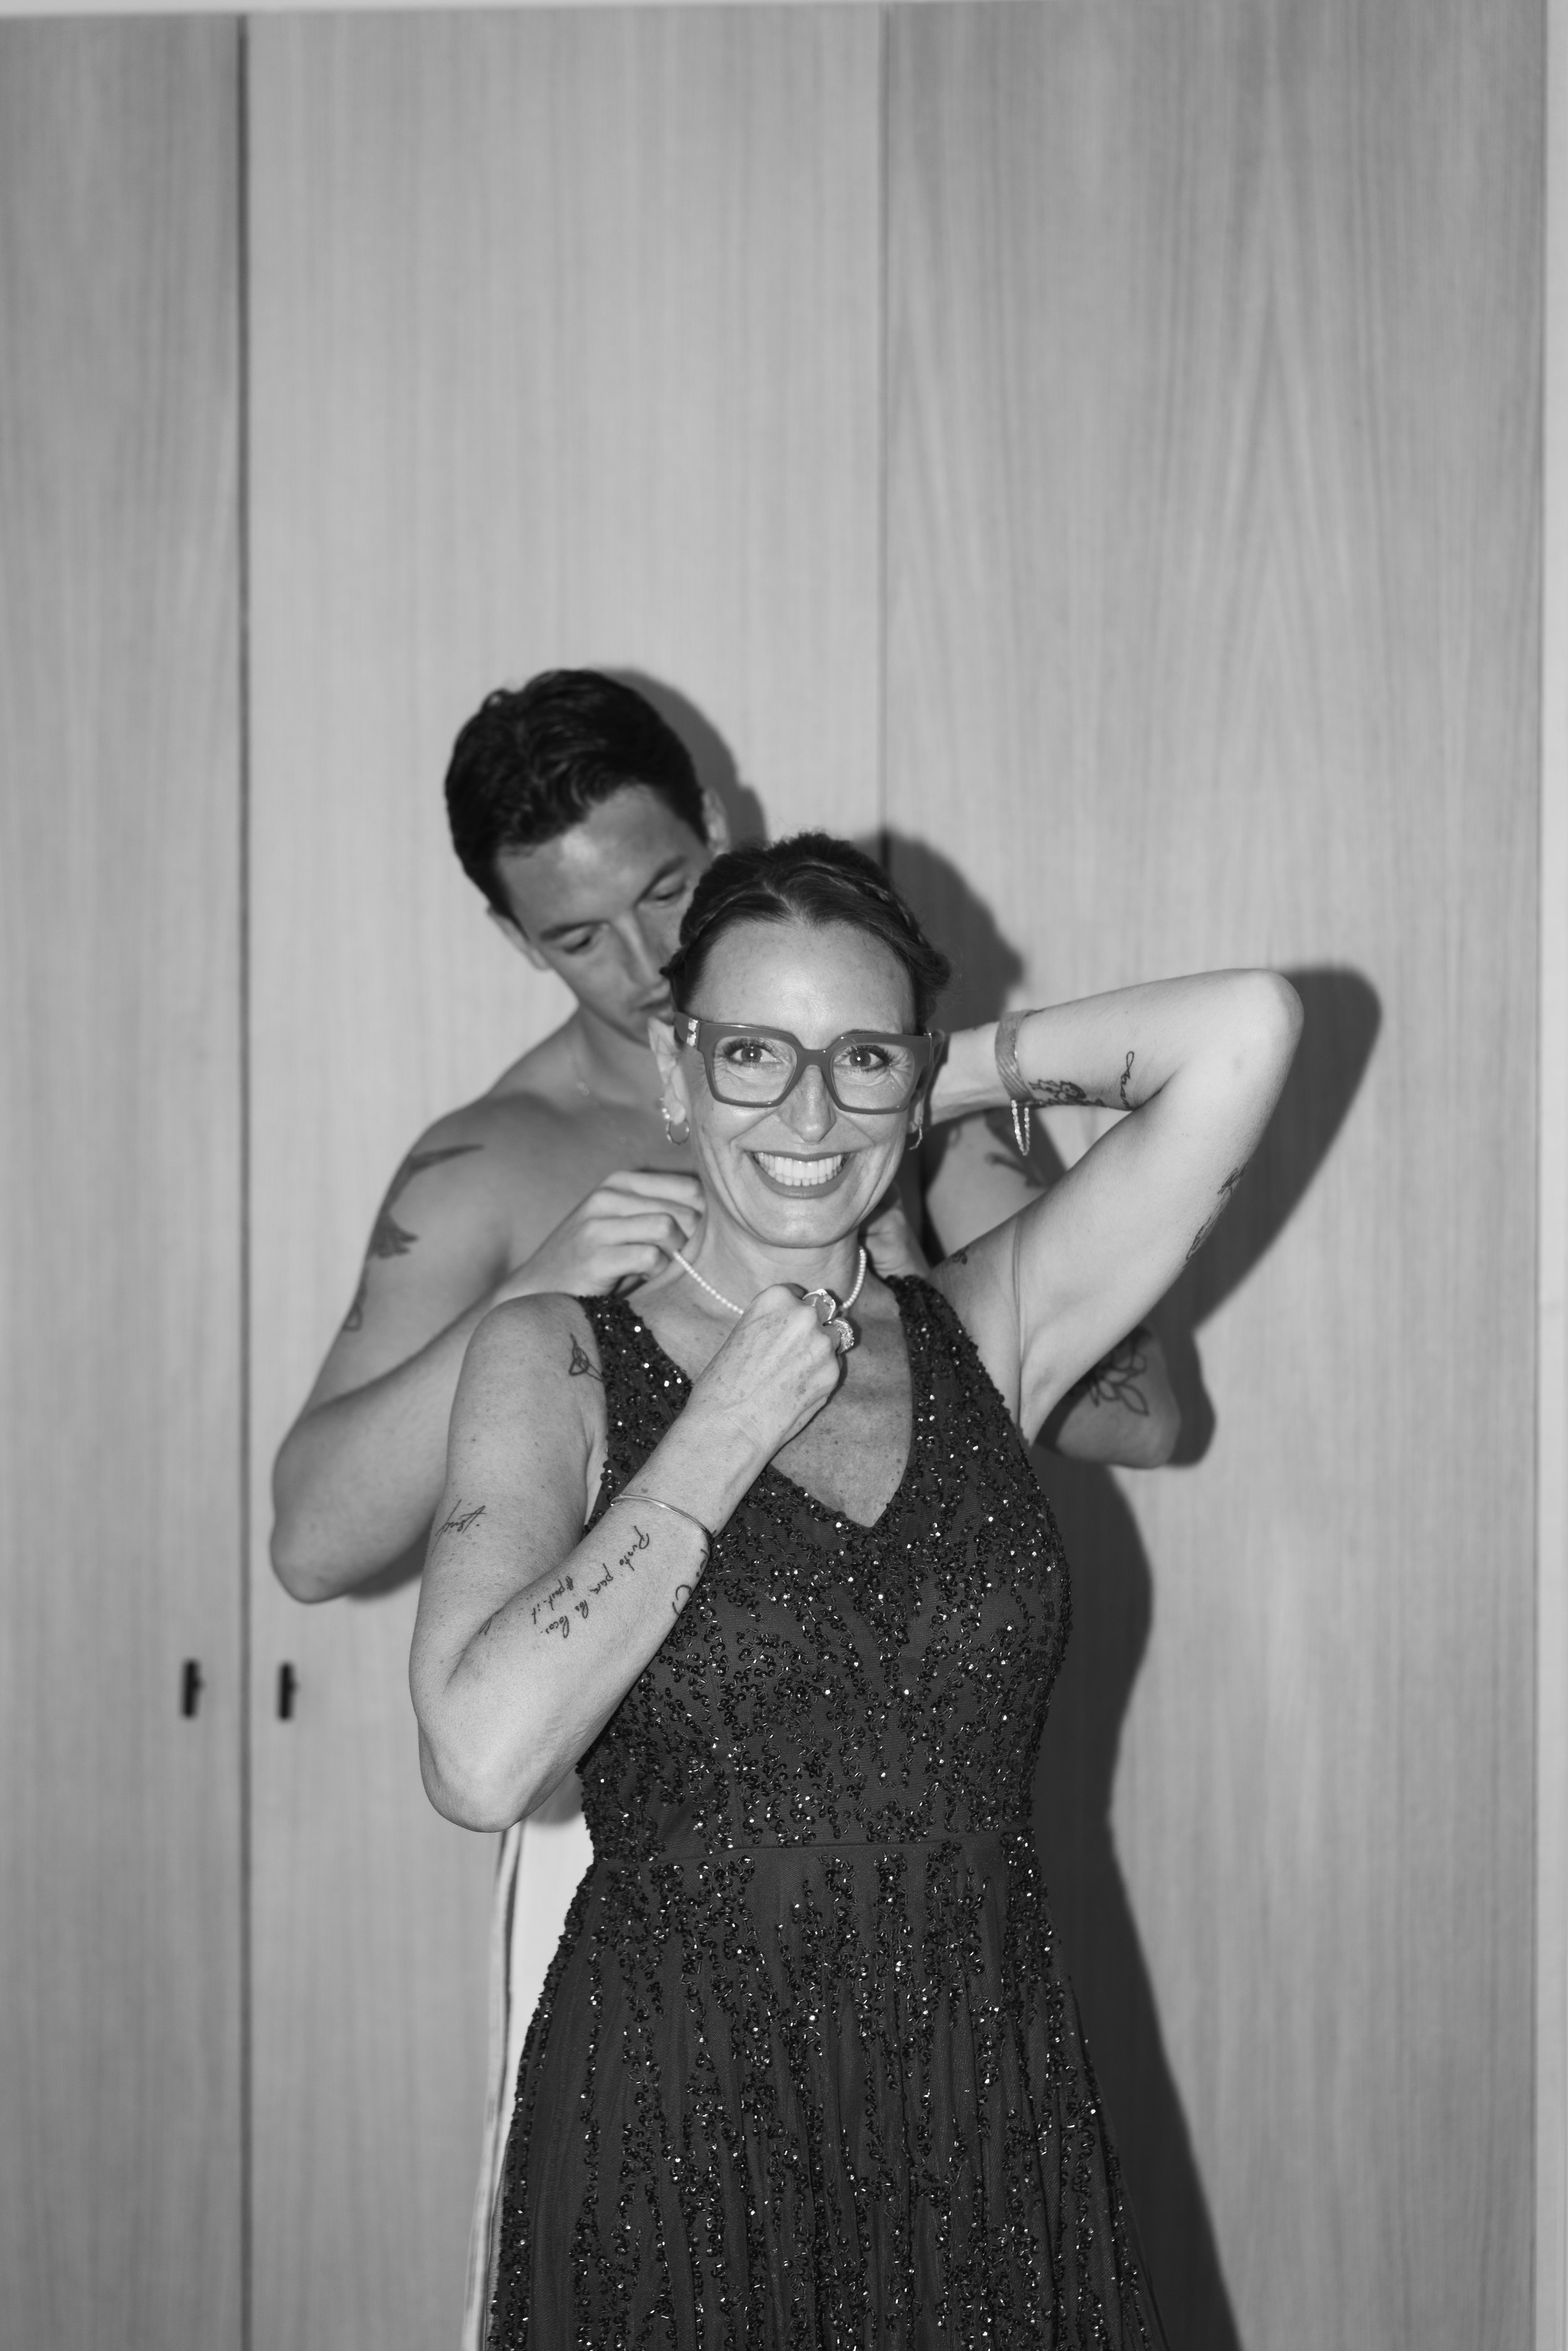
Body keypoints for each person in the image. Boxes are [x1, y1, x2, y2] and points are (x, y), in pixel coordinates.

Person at [268, 672, 1179, 2343]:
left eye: (663, 893)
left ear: (714, 832)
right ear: (514, 939)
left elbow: (1144, 1411)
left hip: (923, 1841)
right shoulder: (497, 1161)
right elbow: (315, 1538)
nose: (633, 960)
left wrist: (905, 1149)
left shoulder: (878, 1118)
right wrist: (543, 1289)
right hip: (640, 1801)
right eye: (573, 936)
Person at [411, 833, 1301, 2345]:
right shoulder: (554, 1355)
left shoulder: (986, 1327)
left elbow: (1244, 1031)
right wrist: (716, 1436)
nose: (807, 1111)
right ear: (676, 1069)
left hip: (976, 2102)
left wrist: (924, 1081)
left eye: (859, 1056)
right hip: (676, 2117)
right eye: (753, 1052)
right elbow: (477, 1758)